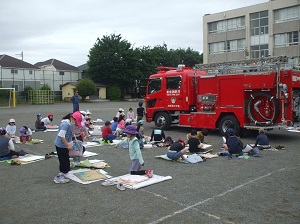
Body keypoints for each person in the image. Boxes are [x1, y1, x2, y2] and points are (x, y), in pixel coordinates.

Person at [53, 112, 81, 184]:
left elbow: (69, 133)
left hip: (63, 144)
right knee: (63, 159)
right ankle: (60, 176)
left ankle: (65, 171)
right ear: (72, 118)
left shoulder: (68, 123)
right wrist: (68, 145)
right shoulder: (66, 124)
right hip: (61, 145)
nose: (75, 123)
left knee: (65, 158)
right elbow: (61, 135)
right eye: (75, 121)